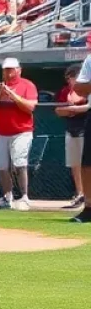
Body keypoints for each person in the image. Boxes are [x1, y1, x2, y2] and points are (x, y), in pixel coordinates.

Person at [0, 57, 38, 211]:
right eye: (5, 70)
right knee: (2, 166)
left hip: (21, 132)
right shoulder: (0, 87)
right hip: (1, 133)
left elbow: (30, 108)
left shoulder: (27, 85)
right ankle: (7, 197)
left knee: (19, 163)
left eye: (11, 69)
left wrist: (13, 96)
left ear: (19, 70)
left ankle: (24, 197)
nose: (8, 73)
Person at [55, 64, 89, 210]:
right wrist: (71, 110)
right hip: (71, 129)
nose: (70, 81)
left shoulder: (86, 90)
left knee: (86, 164)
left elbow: (87, 107)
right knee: (75, 165)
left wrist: (74, 109)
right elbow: (58, 110)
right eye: (68, 78)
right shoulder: (65, 91)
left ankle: (88, 197)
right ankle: (80, 194)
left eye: (72, 77)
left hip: (85, 129)